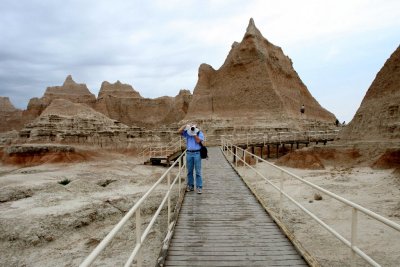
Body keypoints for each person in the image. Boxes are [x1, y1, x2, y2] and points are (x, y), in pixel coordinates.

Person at [178, 123, 205, 194]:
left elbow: (198, 141)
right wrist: (185, 126)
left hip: (197, 154)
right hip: (189, 153)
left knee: (198, 172)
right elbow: (179, 132)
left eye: (194, 127)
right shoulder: (188, 133)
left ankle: (199, 187)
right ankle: (191, 186)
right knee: (189, 171)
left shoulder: (199, 133)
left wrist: (194, 133)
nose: (192, 128)